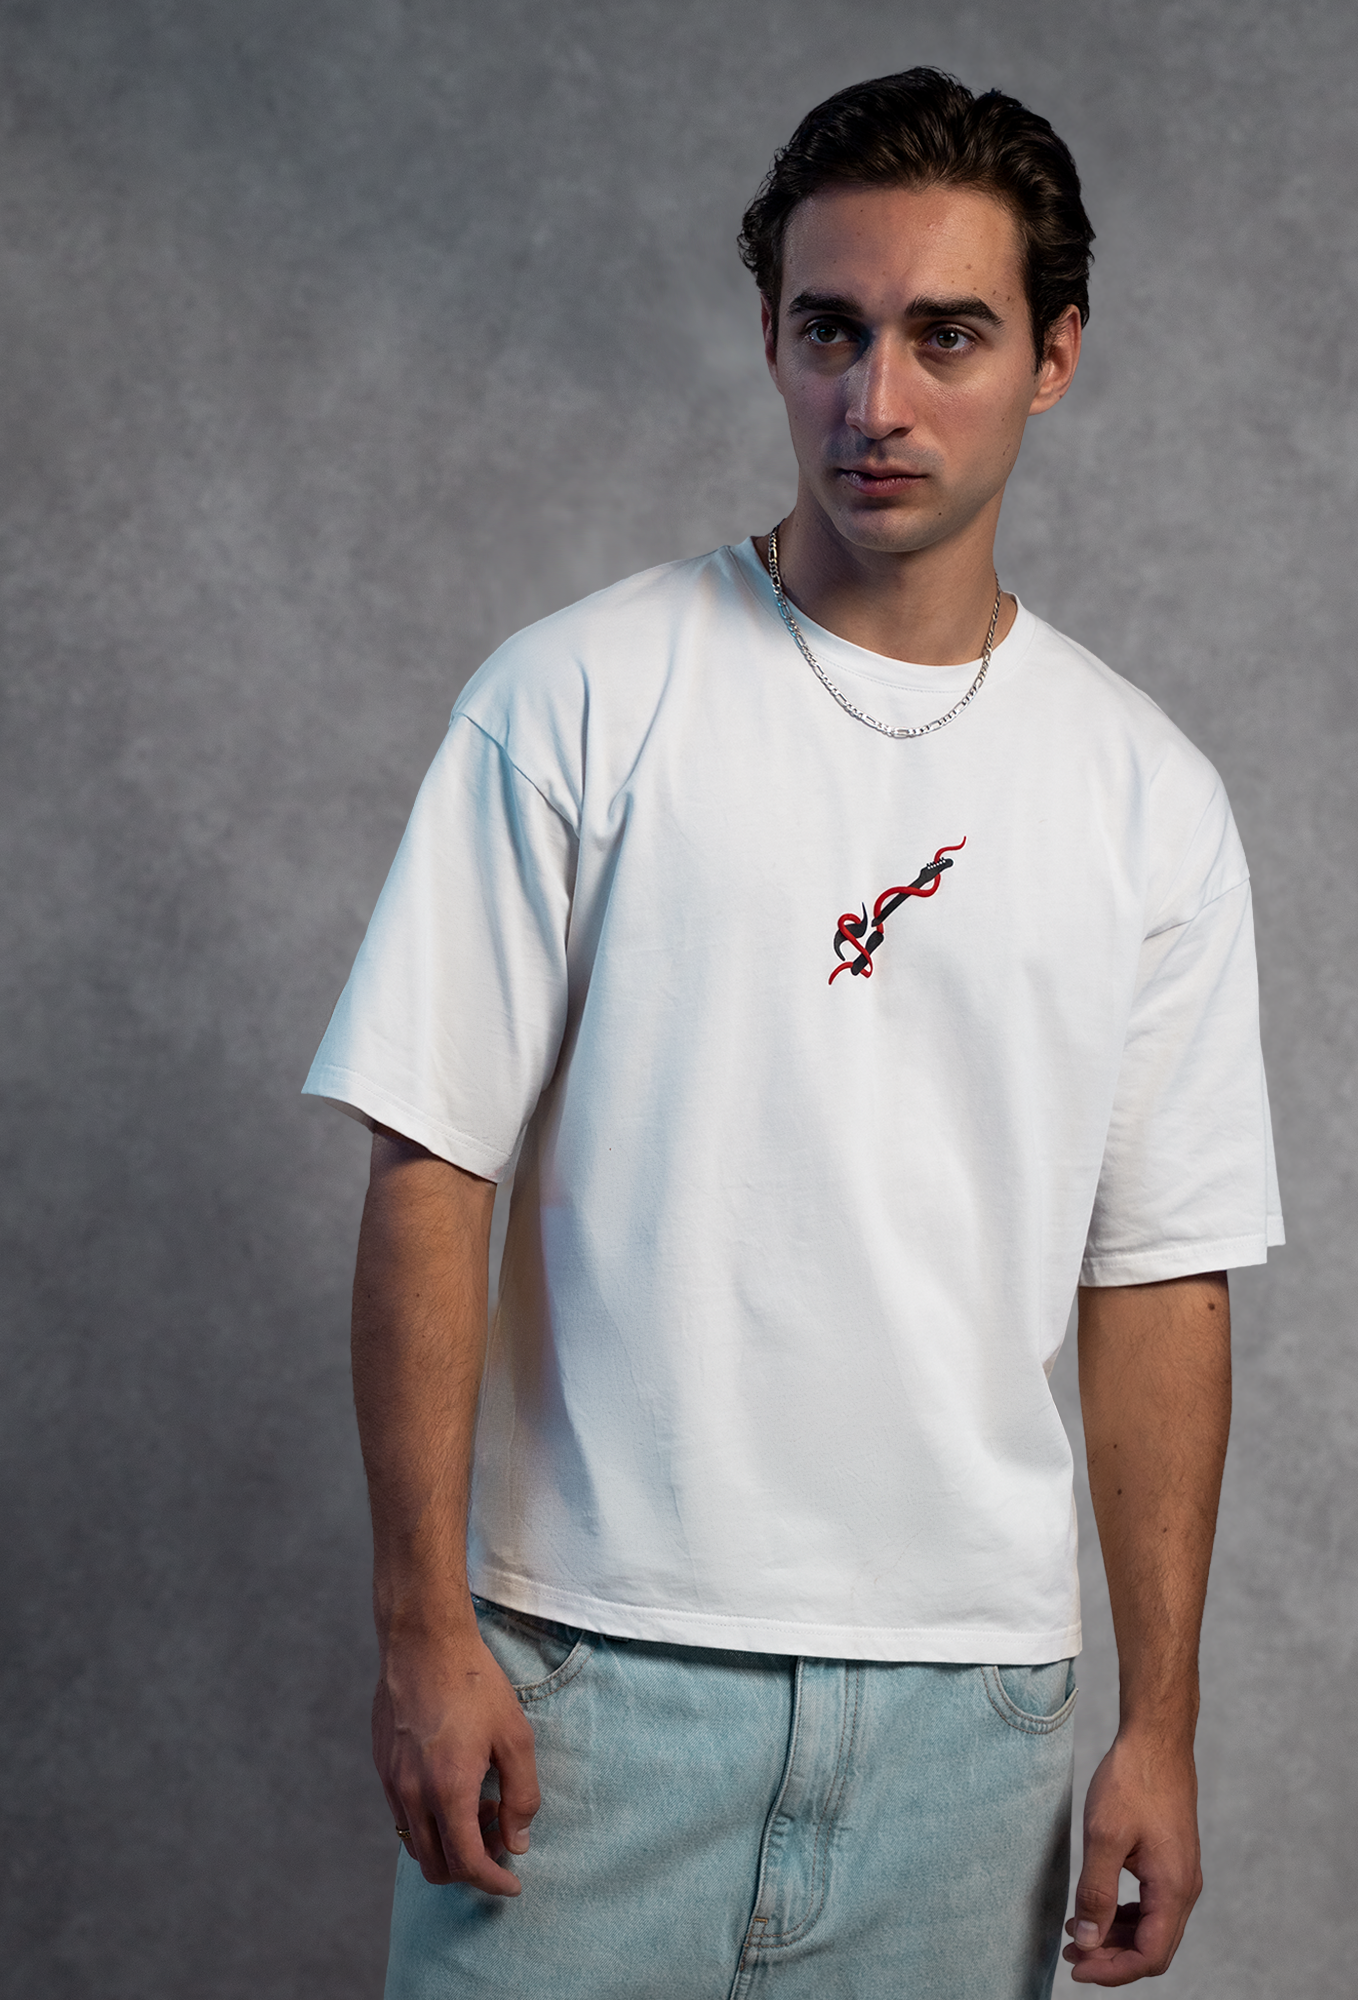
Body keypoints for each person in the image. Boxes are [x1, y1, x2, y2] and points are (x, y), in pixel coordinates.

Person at [305, 67, 1281, 1998]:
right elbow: (430, 1165)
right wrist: (421, 1629)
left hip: (967, 1732)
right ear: (769, 336)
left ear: (1056, 356)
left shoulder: (1147, 797)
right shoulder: (576, 700)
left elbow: (1162, 1276)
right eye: (830, 330)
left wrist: (1159, 1722)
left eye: (948, 336)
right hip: (589, 1685)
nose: (875, 399)